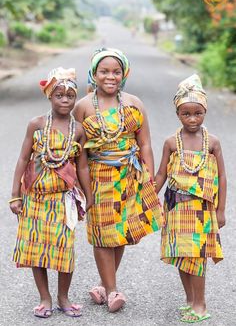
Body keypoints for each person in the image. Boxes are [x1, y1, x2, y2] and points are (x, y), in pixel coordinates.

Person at [73, 47, 163, 312]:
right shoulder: (83, 106)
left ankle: (103, 285)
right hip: (98, 177)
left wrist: (150, 178)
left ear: (124, 74)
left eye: (116, 71)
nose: (110, 76)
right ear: (94, 73)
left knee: (120, 232)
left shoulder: (135, 104)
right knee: (102, 234)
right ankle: (112, 291)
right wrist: (80, 187)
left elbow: (144, 143)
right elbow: (78, 150)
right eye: (104, 71)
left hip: (129, 175)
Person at [9, 67, 93, 318]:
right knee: (37, 249)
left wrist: (88, 197)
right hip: (35, 199)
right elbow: (23, 159)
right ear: (49, 96)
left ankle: (63, 297)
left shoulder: (77, 130)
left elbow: (83, 166)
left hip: (62, 200)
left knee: (64, 249)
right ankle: (45, 298)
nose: (65, 100)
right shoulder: (37, 124)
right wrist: (16, 195)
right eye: (59, 95)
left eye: (70, 96)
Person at [154, 74, 226, 323]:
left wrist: (220, 210)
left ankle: (201, 305)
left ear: (205, 112)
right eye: (187, 114)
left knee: (197, 258)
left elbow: (222, 178)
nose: (193, 119)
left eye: (198, 113)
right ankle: (189, 300)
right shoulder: (171, 143)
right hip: (175, 208)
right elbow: (162, 173)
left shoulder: (212, 143)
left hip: (201, 210)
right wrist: (149, 196)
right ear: (178, 114)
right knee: (182, 256)